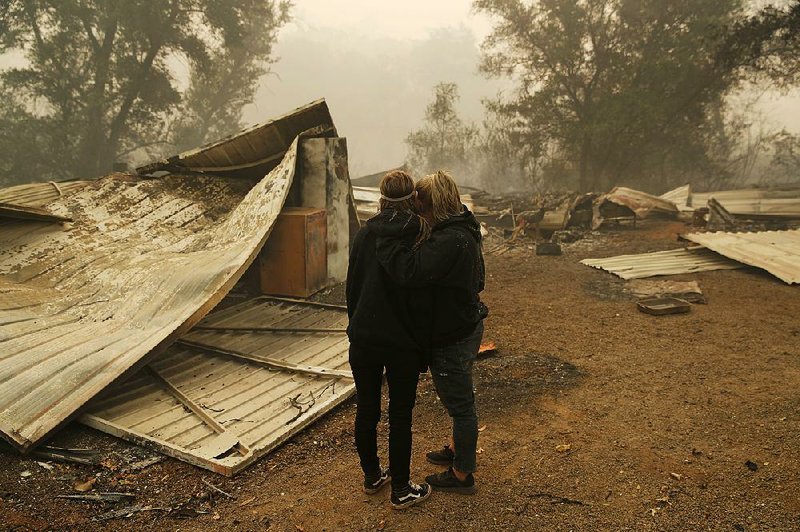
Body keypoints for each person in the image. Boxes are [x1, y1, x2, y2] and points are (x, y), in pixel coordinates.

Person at [375, 170, 487, 495]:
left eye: (420, 205)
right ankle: (456, 448)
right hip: (467, 325)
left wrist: (386, 238)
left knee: (461, 405)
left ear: (434, 204)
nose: (417, 211)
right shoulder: (465, 226)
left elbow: (409, 271)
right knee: (460, 398)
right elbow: (479, 280)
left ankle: (463, 474)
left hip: (452, 336)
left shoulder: (449, 240)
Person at [346, 170, 433, 510]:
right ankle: (400, 489)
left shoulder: (364, 235)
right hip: (402, 343)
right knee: (400, 416)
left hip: (364, 338)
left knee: (367, 410)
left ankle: (372, 476)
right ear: (413, 199)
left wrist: (355, 325)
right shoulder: (420, 235)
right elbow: (422, 300)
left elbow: (352, 288)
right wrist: (424, 345)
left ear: (381, 200)